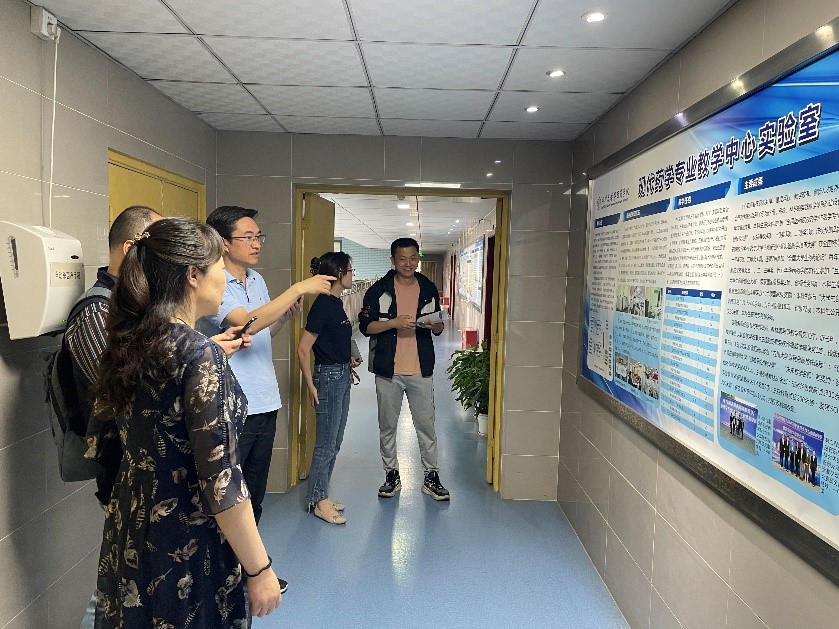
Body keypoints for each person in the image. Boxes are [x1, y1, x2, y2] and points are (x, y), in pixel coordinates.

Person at [87, 217, 281, 627]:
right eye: (219, 269)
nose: (225, 280)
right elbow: (221, 482)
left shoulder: (132, 340)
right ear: (193, 275)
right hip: (185, 544)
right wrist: (259, 569)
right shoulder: (198, 356)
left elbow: (104, 442)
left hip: (131, 527)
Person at [201, 206, 333, 527]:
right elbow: (245, 322)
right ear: (223, 242)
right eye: (247, 237)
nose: (256, 243)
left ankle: (249, 559)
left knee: (254, 493)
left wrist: (283, 318)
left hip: (265, 402)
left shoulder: (256, 279)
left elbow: (260, 332)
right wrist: (298, 287)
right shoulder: (213, 283)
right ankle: (228, 559)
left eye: (259, 236)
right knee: (228, 498)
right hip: (233, 406)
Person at [359, 237, 450, 501]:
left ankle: (431, 476)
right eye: (402, 259)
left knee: (426, 425)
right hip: (389, 370)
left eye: (412, 258)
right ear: (393, 260)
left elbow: (439, 326)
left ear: (417, 259)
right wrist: (393, 323)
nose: (408, 264)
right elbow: (366, 327)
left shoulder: (428, 288)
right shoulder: (378, 291)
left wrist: (435, 326)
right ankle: (391, 475)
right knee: (387, 426)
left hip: (421, 369)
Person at [297, 253, 359, 525]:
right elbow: (303, 349)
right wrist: (311, 384)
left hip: (342, 374)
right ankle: (317, 500)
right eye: (350, 270)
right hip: (329, 379)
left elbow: (332, 340)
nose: (352, 275)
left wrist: (348, 358)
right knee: (325, 444)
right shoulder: (322, 305)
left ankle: (322, 493)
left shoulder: (336, 303)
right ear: (339, 274)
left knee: (335, 441)